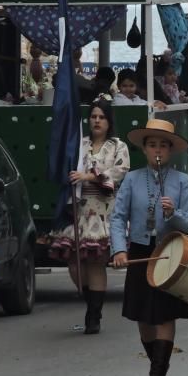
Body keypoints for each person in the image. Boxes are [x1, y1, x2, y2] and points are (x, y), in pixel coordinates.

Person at [110, 119, 188, 376]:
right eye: (152, 145)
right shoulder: (132, 179)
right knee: (144, 317)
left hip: (170, 252)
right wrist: (119, 249)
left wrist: (174, 214)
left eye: (163, 145)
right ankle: (155, 362)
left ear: (170, 150)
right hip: (139, 250)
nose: (157, 150)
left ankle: (158, 374)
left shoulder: (182, 181)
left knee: (164, 313)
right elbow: (118, 218)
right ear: (145, 149)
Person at [48, 99, 130, 334]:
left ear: (108, 121)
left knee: (95, 263)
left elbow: (120, 171)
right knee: (74, 263)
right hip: (77, 209)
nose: (96, 121)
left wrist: (90, 177)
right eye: (93, 116)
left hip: (102, 210)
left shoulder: (117, 146)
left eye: (101, 117)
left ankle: (93, 315)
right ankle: (91, 303)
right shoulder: (79, 144)